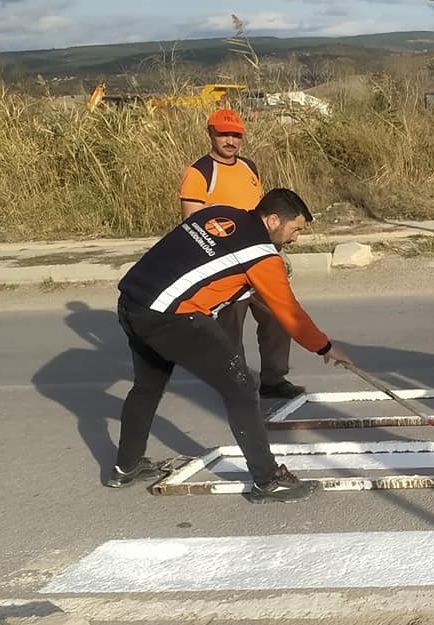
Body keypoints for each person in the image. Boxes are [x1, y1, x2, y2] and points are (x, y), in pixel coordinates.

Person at [108, 188, 354, 503]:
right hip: (171, 318)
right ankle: (268, 480)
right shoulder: (262, 254)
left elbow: (208, 270)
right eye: (296, 229)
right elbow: (289, 312)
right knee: (241, 387)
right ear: (274, 220)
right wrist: (324, 347)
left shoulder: (218, 214)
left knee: (146, 387)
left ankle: (126, 467)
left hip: (133, 303)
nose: (296, 239)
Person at [180, 108, 303, 401]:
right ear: (210, 133)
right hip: (224, 268)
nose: (230, 140)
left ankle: (274, 379)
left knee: (278, 316)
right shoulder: (199, 173)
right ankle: (236, 388)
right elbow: (192, 226)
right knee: (229, 332)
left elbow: (260, 216)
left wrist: (276, 252)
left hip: (256, 261)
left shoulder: (249, 167)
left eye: (236, 135)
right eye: (224, 134)